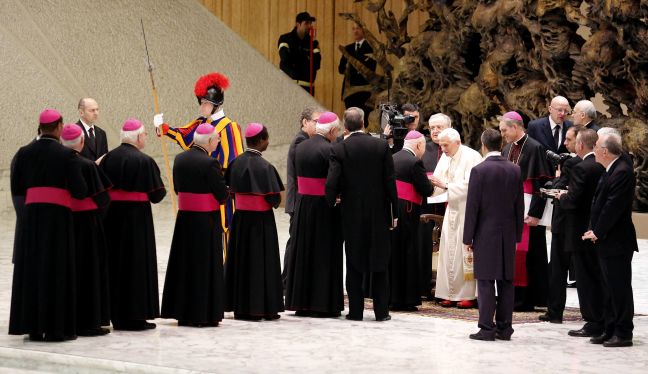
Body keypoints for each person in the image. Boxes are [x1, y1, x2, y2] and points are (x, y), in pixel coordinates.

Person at [9, 109, 87, 342]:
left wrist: (26, 216)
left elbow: (17, 189)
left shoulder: (23, 153)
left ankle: (33, 327)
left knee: (34, 270)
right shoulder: (66, 155)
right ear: (60, 127)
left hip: (32, 220)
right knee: (57, 270)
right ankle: (56, 329)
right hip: (58, 222)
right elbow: (80, 190)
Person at [325, 107, 397, 321]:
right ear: (364, 123)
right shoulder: (381, 146)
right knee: (380, 261)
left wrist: (332, 201)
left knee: (354, 261)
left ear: (345, 126)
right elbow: (390, 182)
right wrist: (394, 211)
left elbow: (332, 182)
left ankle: (355, 312)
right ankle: (381, 312)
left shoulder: (339, 149)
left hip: (351, 213)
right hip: (379, 213)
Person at [155, 72, 243, 237]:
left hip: (222, 190)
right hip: (204, 189)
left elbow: (236, 164)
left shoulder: (230, 127)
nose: (201, 106)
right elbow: (185, 135)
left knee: (225, 233)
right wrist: (165, 129)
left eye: (205, 103)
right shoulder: (202, 122)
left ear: (216, 104)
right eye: (201, 102)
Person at [100, 118, 166, 331]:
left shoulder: (107, 158)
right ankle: (135, 317)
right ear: (138, 137)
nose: (145, 137)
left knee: (115, 265)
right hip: (137, 222)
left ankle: (115, 315)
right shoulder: (144, 161)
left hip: (111, 219)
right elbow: (157, 195)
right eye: (145, 134)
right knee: (136, 266)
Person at [161, 124, 228, 327]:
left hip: (185, 219)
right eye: (216, 139)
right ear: (208, 142)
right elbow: (222, 196)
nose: (217, 142)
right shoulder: (210, 163)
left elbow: (177, 188)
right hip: (205, 221)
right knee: (202, 266)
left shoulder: (180, 159)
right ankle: (201, 314)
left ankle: (183, 312)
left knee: (185, 264)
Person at [464, 129, 524, 341]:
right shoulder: (515, 170)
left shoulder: (479, 170)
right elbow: (519, 206)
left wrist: (467, 238)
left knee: (486, 281)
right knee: (507, 281)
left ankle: (487, 329)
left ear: (483, 145)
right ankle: (505, 329)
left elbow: (473, 207)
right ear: (501, 144)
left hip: (485, 234)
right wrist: (517, 234)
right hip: (508, 234)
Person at [582, 130, 638, 348]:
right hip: (606, 240)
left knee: (619, 288)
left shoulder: (622, 171)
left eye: (596, 146)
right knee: (608, 288)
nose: (593, 148)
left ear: (604, 151)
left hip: (617, 241)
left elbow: (613, 207)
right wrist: (593, 229)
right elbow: (600, 204)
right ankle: (610, 328)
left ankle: (623, 333)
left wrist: (598, 231)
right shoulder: (611, 168)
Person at [285, 112, 344, 318]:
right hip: (323, 208)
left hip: (303, 205)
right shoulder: (331, 150)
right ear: (333, 131)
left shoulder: (300, 146)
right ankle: (322, 304)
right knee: (323, 253)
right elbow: (334, 180)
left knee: (304, 251)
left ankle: (301, 302)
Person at [224, 123, 285, 321]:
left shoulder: (235, 163)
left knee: (242, 262)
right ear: (260, 141)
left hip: (241, 221)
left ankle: (240, 308)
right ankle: (264, 308)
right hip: (261, 224)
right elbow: (274, 200)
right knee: (261, 263)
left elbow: (229, 190)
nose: (268, 142)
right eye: (266, 139)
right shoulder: (266, 167)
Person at [553, 129, 606, 337]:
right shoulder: (602, 165)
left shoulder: (582, 167)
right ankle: (600, 317)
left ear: (581, 145)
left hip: (579, 229)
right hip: (597, 228)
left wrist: (561, 196)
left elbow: (573, 200)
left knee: (585, 278)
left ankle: (592, 321)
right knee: (596, 275)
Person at [60, 124, 112, 337]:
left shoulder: (55, 163)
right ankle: (89, 322)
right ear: (82, 142)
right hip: (87, 226)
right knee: (89, 272)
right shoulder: (87, 165)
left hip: (63, 223)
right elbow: (103, 199)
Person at [500, 111, 554, 311]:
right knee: (513, 254)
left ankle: (531, 298)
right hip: (510, 210)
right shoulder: (507, 149)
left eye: (505, 130)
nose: (503, 134)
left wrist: (536, 214)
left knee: (532, 255)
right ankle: (514, 296)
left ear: (515, 127)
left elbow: (541, 183)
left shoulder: (535, 147)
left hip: (529, 212)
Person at [430, 128, 482, 308]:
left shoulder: (472, 156)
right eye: (441, 145)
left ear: (457, 143)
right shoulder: (445, 156)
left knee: (463, 252)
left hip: (467, 210)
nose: (442, 149)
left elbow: (473, 184)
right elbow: (437, 180)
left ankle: (466, 295)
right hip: (451, 209)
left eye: (445, 145)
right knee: (448, 252)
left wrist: (446, 185)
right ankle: (449, 293)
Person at [540, 126, 582, 323]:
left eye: (568, 139)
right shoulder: (590, 163)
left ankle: (554, 312)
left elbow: (557, 187)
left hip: (563, 222)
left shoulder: (572, 163)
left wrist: (556, 180)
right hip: (580, 224)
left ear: (579, 141)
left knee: (557, 269)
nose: (564, 143)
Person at [390, 131, 433, 311]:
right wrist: (431, 184)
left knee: (394, 254)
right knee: (408, 253)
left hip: (393, 209)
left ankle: (391, 297)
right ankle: (405, 299)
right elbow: (425, 189)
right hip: (408, 211)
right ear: (418, 145)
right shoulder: (415, 162)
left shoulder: (393, 157)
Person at [283, 107, 321, 287]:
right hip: (298, 199)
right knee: (295, 242)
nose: (319, 125)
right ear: (305, 122)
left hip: (300, 199)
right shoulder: (301, 140)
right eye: (316, 121)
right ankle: (287, 280)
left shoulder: (306, 139)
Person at [418, 113, 451, 299]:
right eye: (432, 128)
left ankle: (445, 289)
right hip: (427, 207)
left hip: (450, 206)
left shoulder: (457, 150)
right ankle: (423, 286)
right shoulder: (424, 149)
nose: (435, 131)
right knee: (424, 246)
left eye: (439, 127)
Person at [338, 22, 377, 123]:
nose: (355, 31)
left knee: (363, 120)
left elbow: (372, 68)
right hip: (350, 92)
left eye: (358, 28)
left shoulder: (371, 48)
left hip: (364, 92)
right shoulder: (348, 48)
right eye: (353, 29)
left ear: (363, 30)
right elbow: (340, 69)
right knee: (351, 121)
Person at [278, 12, 321, 95]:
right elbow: (285, 58)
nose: (309, 26)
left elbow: (317, 64)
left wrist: (297, 56)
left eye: (310, 23)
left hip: (308, 88)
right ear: (298, 24)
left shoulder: (314, 43)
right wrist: (306, 58)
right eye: (306, 23)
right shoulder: (285, 38)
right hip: (289, 86)